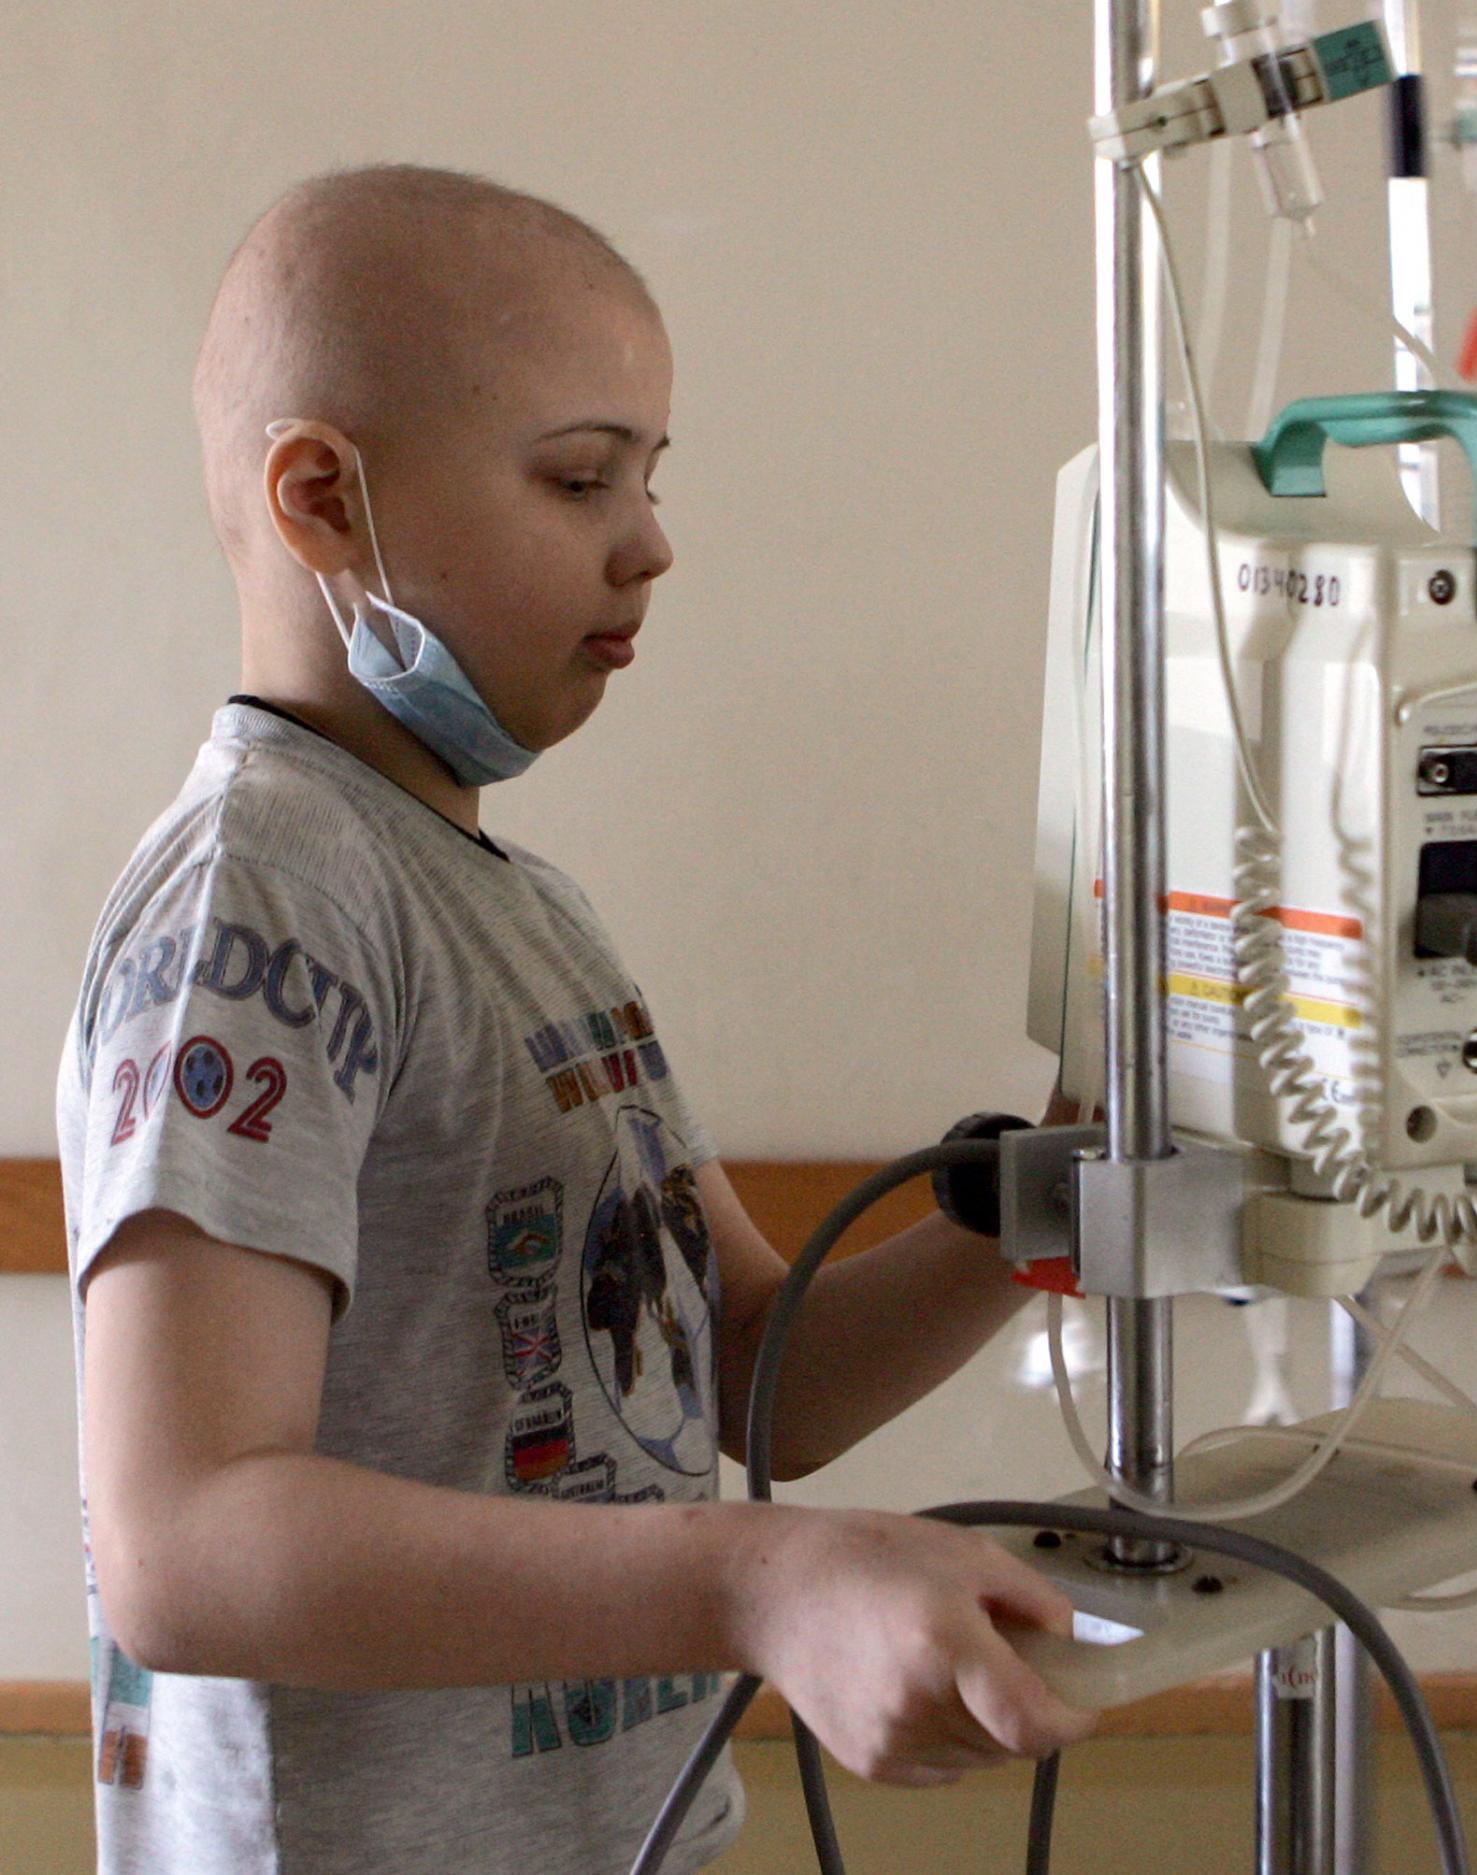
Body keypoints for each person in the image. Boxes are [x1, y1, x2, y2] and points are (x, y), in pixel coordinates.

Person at [62, 164, 1093, 1874]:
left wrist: (1067, 1181)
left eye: (649, 479)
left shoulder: (519, 905)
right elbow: (187, 1540)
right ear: (322, 496)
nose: (651, 542)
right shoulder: (265, 896)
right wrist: (758, 1582)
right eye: (578, 477)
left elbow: (749, 1376)